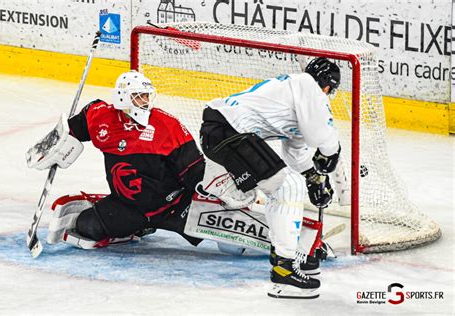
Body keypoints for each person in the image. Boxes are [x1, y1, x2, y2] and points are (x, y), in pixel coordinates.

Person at [198, 57, 341, 299]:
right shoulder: (307, 86)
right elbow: (322, 136)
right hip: (229, 131)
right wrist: (332, 154)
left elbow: (296, 154)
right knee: (286, 187)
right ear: (327, 87)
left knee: (284, 185)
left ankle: (284, 258)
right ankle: (284, 272)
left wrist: (314, 177)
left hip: (223, 133)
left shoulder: (296, 102)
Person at [26, 71, 205, 249]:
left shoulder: (167, 125)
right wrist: (54, 146)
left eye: (147, 96)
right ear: (123, 98)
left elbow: (195, 170)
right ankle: (136, 229)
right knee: (86, 226)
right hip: (128, 207)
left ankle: (148, 225)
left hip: (172, 206)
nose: (145, 102)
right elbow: (71, 130)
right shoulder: (101, 118)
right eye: (139, 97)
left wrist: (210, 195)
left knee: (221, 230)